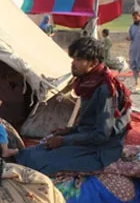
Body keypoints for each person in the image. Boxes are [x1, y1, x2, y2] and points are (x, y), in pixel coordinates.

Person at [16, 37, 131, 176]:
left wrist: (65, 140)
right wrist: (69, 131)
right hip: (86, 141)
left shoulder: (105, 90)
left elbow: (102, 134)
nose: (73, 63)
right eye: (73, 59)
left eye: (78, 59)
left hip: (100, 151)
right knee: (29, 153)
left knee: (40, 163)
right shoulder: (88, 83)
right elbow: (90, 121)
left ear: (93, 63)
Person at [128, 11, 140, 90]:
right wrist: (128, 38)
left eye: (136, 18)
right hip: (134, 48)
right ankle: (137, 83)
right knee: (134, 66)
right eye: (133, 18)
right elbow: (131, 36)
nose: (135, 19)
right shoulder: (132, 27)